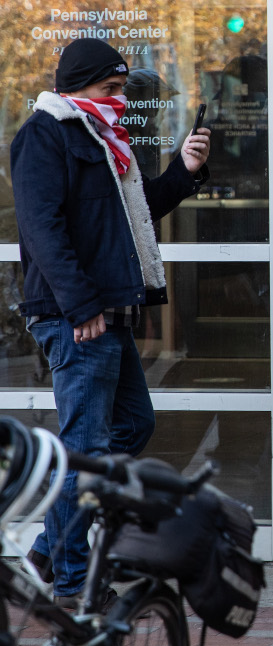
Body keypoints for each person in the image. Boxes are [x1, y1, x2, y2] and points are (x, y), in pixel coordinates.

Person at [11, 37, 211, 609]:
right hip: (78, 317)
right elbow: (43, 230)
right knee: (87, 449)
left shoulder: (103, 136)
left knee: (132, 425)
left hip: (108, 312)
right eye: (112, 88)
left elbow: (132, 214)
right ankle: (74, 583)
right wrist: (81, 308)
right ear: (78, 86)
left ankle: (51, 551)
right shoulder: (46, 135)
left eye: (123, 89)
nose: (122, 99)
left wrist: (184, 171)